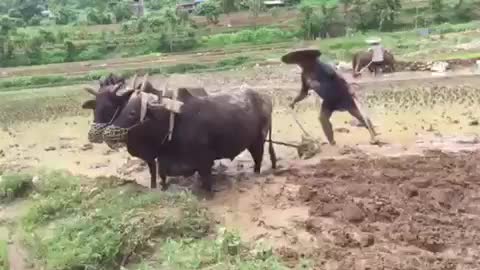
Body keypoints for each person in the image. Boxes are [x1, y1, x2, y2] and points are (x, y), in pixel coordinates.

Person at [286, 50, 377, 145]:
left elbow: (339, 77)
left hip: (341, 94)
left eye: (302, 61)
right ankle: (332, 143)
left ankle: (373, 134)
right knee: (322, 118)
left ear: (310, 60)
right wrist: (294, 102)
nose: (300, 64)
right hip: (328, 99)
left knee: (357, 114)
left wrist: (349, 88)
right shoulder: (305, 75)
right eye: (298, 62)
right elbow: (304, 92)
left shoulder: (323, 68)